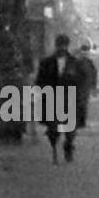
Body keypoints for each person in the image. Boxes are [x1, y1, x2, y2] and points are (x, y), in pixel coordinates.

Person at [36, 34, 87, 164]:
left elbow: (81, 82)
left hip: (69, 100)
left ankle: (68, 146)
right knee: (53, 130)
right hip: (52, 100)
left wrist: (79, 98)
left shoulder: (75, 63)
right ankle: (54, 151)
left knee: (70, 131)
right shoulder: (46, 63)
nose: (62, 48)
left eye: (63, 45)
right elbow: (40, 81)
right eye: (60, 45)